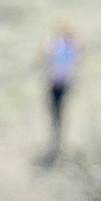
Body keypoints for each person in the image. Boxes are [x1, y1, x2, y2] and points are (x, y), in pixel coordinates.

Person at [43, 26, 81, 164]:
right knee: (55, 112)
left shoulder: (70, 50)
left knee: (60, 112)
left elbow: (68, 68)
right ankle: (57, 134)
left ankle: (59, 136)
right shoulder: (57, 46)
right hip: (55, 84)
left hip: (62, 85)